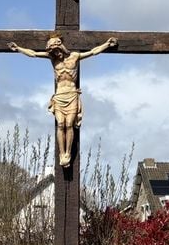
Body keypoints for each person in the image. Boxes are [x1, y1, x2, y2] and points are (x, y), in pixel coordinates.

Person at [8, 34, 117, 167]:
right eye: (53, 52)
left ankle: (68, 153)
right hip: (59, 96)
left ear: (61, 47)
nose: (56, 54)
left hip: (72, 95)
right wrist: (18, 48)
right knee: (60, 124)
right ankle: (62, 152)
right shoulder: (52, 59)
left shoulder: (75, 56)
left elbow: (93, 52)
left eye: (57, 51)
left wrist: (107, 44)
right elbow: (34, 54)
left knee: (69, 124)